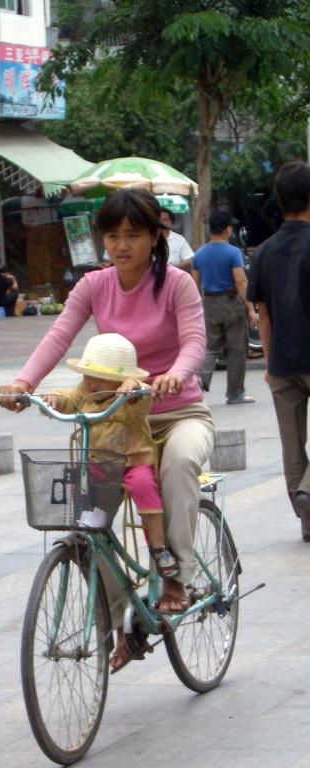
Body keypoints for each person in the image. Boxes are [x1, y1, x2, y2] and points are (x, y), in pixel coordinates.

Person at [0, 189, 215, 668]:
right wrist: (24, 383)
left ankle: (176, 577)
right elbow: (59, 336)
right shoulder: (94, 285)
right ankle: (122, 621)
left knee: (178, 465)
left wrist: (176, 373)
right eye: (112, 235)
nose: (121, 245)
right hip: (114, 421)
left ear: (156, 237)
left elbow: (195, 341)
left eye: (132, 235)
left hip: (177, 413)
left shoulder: (177, 284)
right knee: (86, 520)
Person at [43, 332, 179, 584]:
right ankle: (89, 531)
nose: (92, 383)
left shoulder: (129, 399)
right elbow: (68, 397)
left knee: (142, 485)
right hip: (100, 464)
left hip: (133, 463)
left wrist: (134, 387)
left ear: (119, 380)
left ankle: (159, 546)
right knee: (79, 478)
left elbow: (143, 395)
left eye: (101, 378)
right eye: (88, 376)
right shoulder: (84, 392)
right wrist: (53, 400)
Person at [247, 160, 310, 541]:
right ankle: (308, 491)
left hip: (283, 361)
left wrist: (270, 364)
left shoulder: (264, 252)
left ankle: (306, 520)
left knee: (292, 444)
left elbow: (263, 315)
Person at [193, 210, 258, 404]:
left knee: (210, 348)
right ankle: (235, 393)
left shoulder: (199, 254)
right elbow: (241, 282)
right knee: (237, 349)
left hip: (209, 303)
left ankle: (199, 382)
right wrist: (250, 309)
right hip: (230, 303)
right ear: (228, 229)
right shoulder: (233, 252)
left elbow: (194, 284)